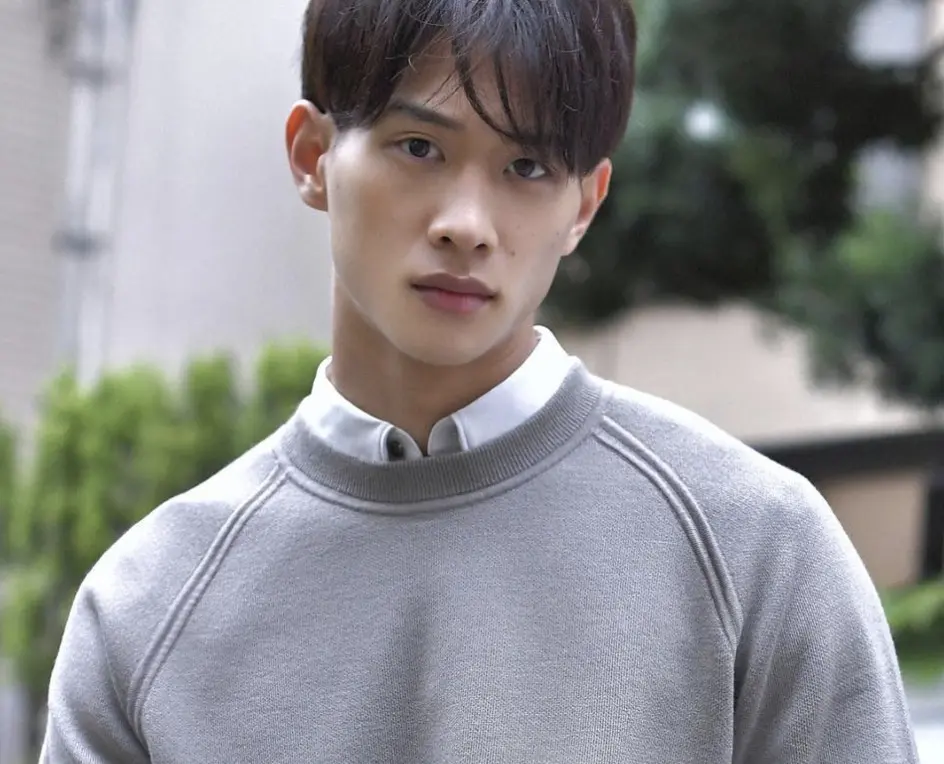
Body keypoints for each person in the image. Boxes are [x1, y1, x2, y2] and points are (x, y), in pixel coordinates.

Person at [41, 0, 918, 762]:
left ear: (584, 205)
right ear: (312, 155)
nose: (467, 224)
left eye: (526, 169)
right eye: (419, 146)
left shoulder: (757, 549)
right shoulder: (148, 606)